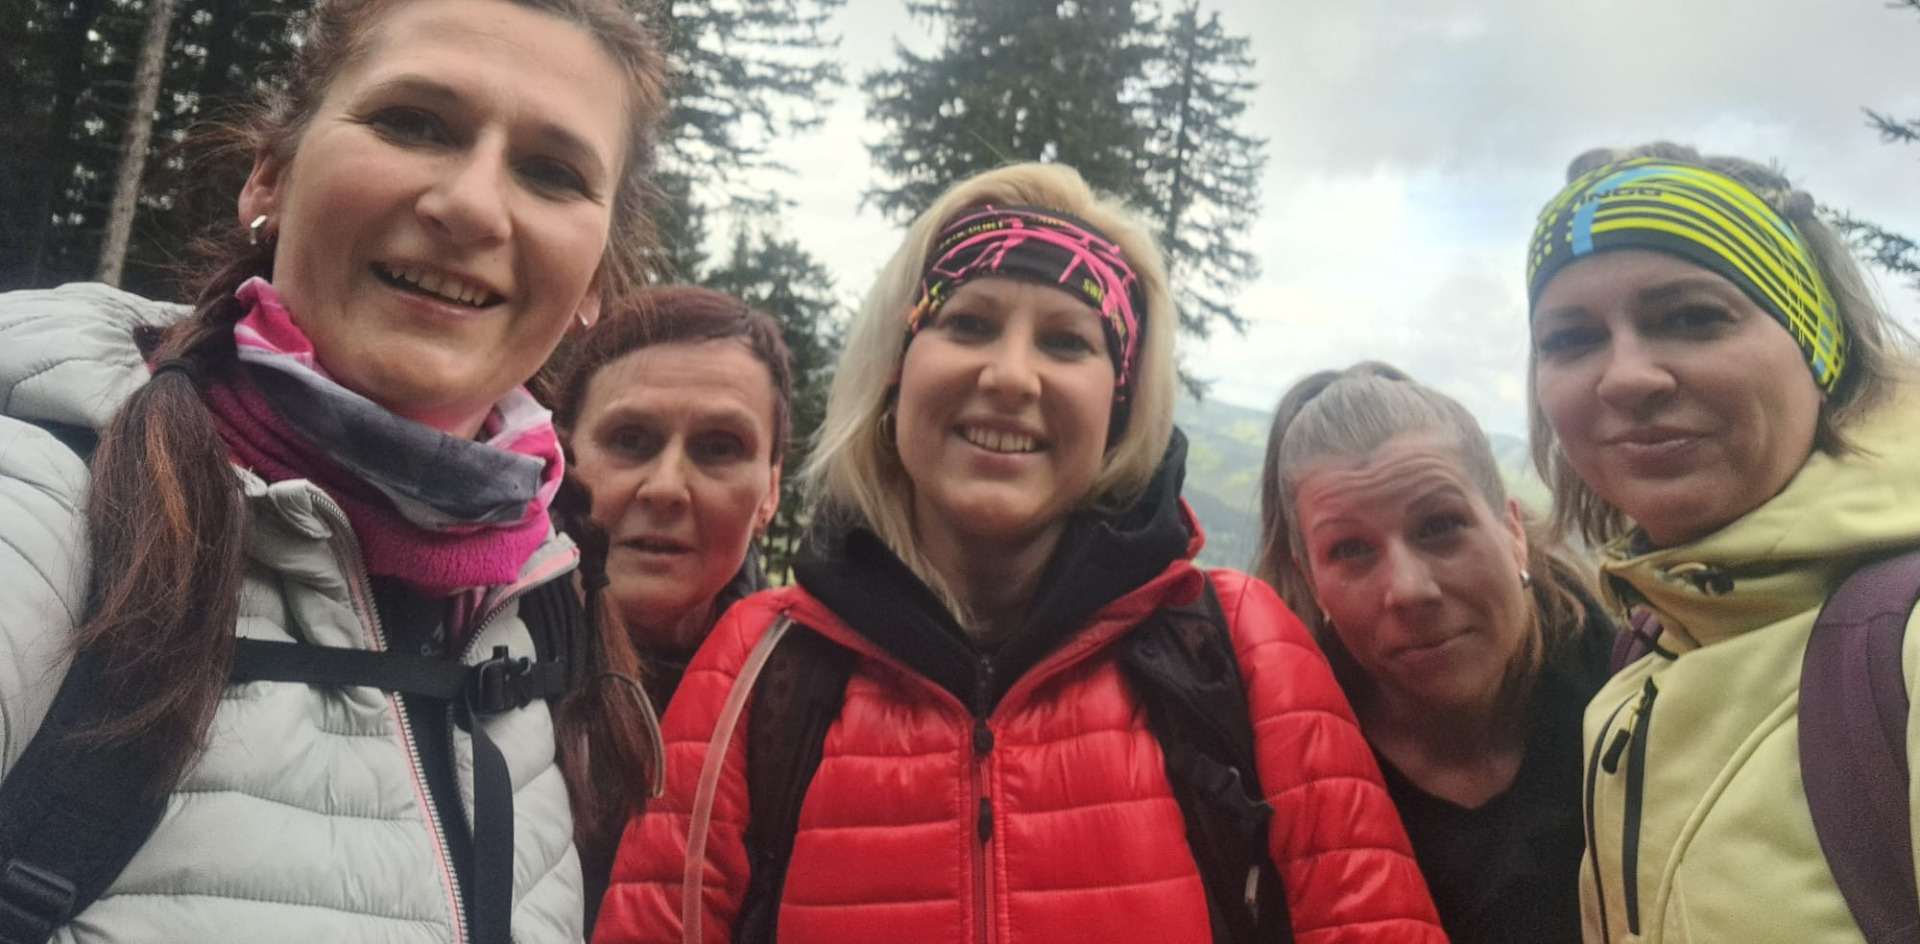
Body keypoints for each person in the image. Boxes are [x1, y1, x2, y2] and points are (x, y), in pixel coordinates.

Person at [0, 0, 668, 944]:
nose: (471, 206)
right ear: (269, 176)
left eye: (551, 172)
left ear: (595, 285)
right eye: (411, 123)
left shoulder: (541, 612)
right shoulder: (47, 503)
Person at [594, 162, 1445, 944]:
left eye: (1067, 341)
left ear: (1117, 406)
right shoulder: (757, 665)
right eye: (968, 323)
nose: (1010, 376)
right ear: (896, 371)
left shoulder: (1239, 648)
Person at [1525, 143, 1915, 944]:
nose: (1625, 377)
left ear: (1821, 345)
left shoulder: (1901, 644)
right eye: (1570, 338)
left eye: (1692, 317)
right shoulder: (1638, 669)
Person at [1257, 361, 1613, 944]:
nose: (1408, 590)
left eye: (1440, 526)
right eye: (1351, 550)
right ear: (1311, 581)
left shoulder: (1639, 698)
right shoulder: (1276, 781)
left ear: (1511, 530)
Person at [557, 285, 791, 712]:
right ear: (560, 458)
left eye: (719, 448)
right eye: (629, 439)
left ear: (770, 491)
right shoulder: (457, 664)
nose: (665, 489)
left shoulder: (819, 708)